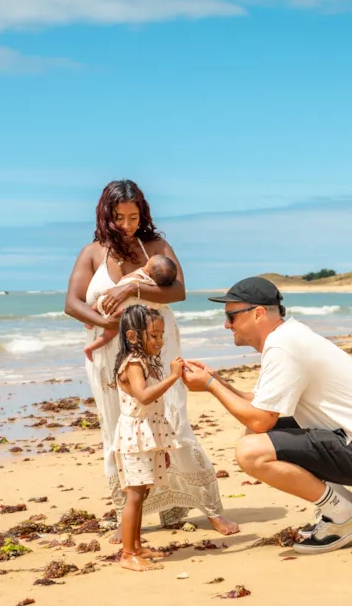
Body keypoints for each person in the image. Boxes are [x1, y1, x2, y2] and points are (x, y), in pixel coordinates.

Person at [63, 179, 238, 539]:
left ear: (142, 213)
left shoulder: (156, 246)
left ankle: (207, 508)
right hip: (110, 352)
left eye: (133, 216)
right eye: (119, 218)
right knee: (119, 429)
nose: (127, 225)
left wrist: (132, 287)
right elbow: (72, 303)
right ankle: (128, 514)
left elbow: (179, 291)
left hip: (158, 346)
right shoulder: (92, 252)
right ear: (105, 216)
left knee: (173, 421)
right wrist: (107, 322)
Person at [181, 276, 352, 554]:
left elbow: (260, 418)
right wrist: (217, 380)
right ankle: (343, 506)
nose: (226, 325)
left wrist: (210, 387)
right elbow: (261, 406)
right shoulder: (288, 337)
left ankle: (343, 517)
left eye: (231, 317)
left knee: (251, 451)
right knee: (256, 437)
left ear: (258, 313)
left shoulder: (283, 346)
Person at [111, 305, 185, 571]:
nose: (160, 341)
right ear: (133, 337)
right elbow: (143, 396)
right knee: (134, 494)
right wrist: (174, 376)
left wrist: (161, 446)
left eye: (161, 335)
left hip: (145, 436)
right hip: (134, 436)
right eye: (153, 336)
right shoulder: (132, 363)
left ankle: (136, 546)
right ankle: (128, 553)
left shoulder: (142, 362)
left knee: (141, 493)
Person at [83, 254, 178, 362]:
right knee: (108, 334)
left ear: (147, 272)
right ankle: (90, 348)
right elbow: (158, 303)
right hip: (122, 311)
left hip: (109, 302)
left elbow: (124, 279)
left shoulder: (138, 275)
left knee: (101, 299)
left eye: (146, 265)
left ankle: (90, 322)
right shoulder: (152, 287)